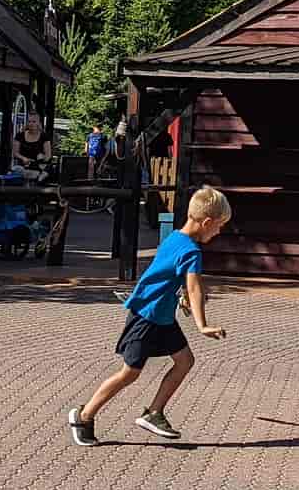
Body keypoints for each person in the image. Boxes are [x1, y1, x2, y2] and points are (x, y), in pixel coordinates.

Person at [68, 186, 232, 445]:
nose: (219, 232)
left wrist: (181, 298)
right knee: (129, 373)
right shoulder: (191, 252)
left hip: (163, 318)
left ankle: (154, 413)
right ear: (207, 222)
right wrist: (202, 325)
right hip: (146, 317)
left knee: (185, 361)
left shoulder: (176, 238)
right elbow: (194, 287)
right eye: (219, 227)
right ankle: (83, 416)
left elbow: (169, 276)